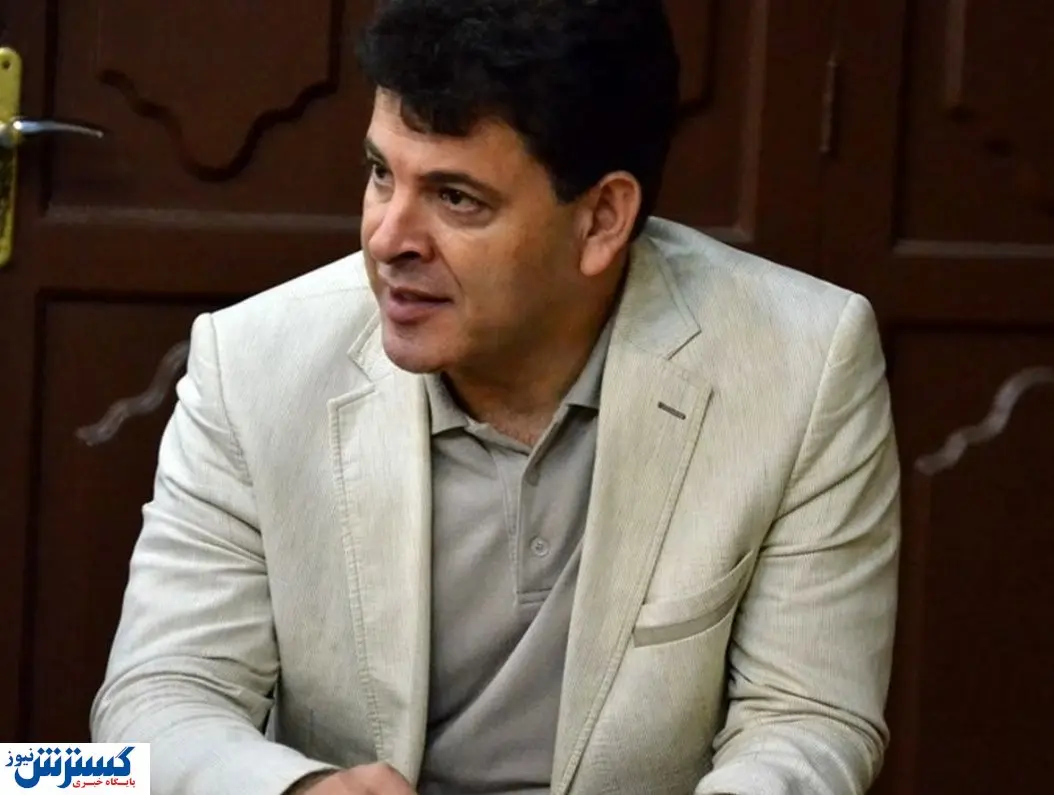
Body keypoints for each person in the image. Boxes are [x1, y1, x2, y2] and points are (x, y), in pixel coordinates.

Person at [90, 1, 901, 793]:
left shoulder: (801, 361)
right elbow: (156, 700)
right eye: (381, 174)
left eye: (456, 198)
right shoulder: (254, 364)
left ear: (603, 218)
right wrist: (302, 788)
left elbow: (805, 716)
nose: (388, 238)